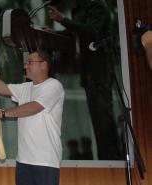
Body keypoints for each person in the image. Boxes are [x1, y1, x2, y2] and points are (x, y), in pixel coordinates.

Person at [47, 0, 122, 160]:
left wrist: (63, 20)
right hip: (88, 72)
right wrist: (53, 34)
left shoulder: (97, 6)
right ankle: (105, 160)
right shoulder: (79, 8)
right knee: (98, 121)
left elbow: (92, 32)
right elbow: (77, 32)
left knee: (103, 120)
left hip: (99, 71)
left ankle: (112, 160)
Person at [0, 50, 65, 185]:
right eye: (26, 63)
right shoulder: (26, 87)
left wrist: (3, 113)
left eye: (30, 62)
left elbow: (35, 107)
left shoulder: (53, 86)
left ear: (43, 65)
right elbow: (3, 88)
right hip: (23, 161)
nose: (25, 66)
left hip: (45, 161)